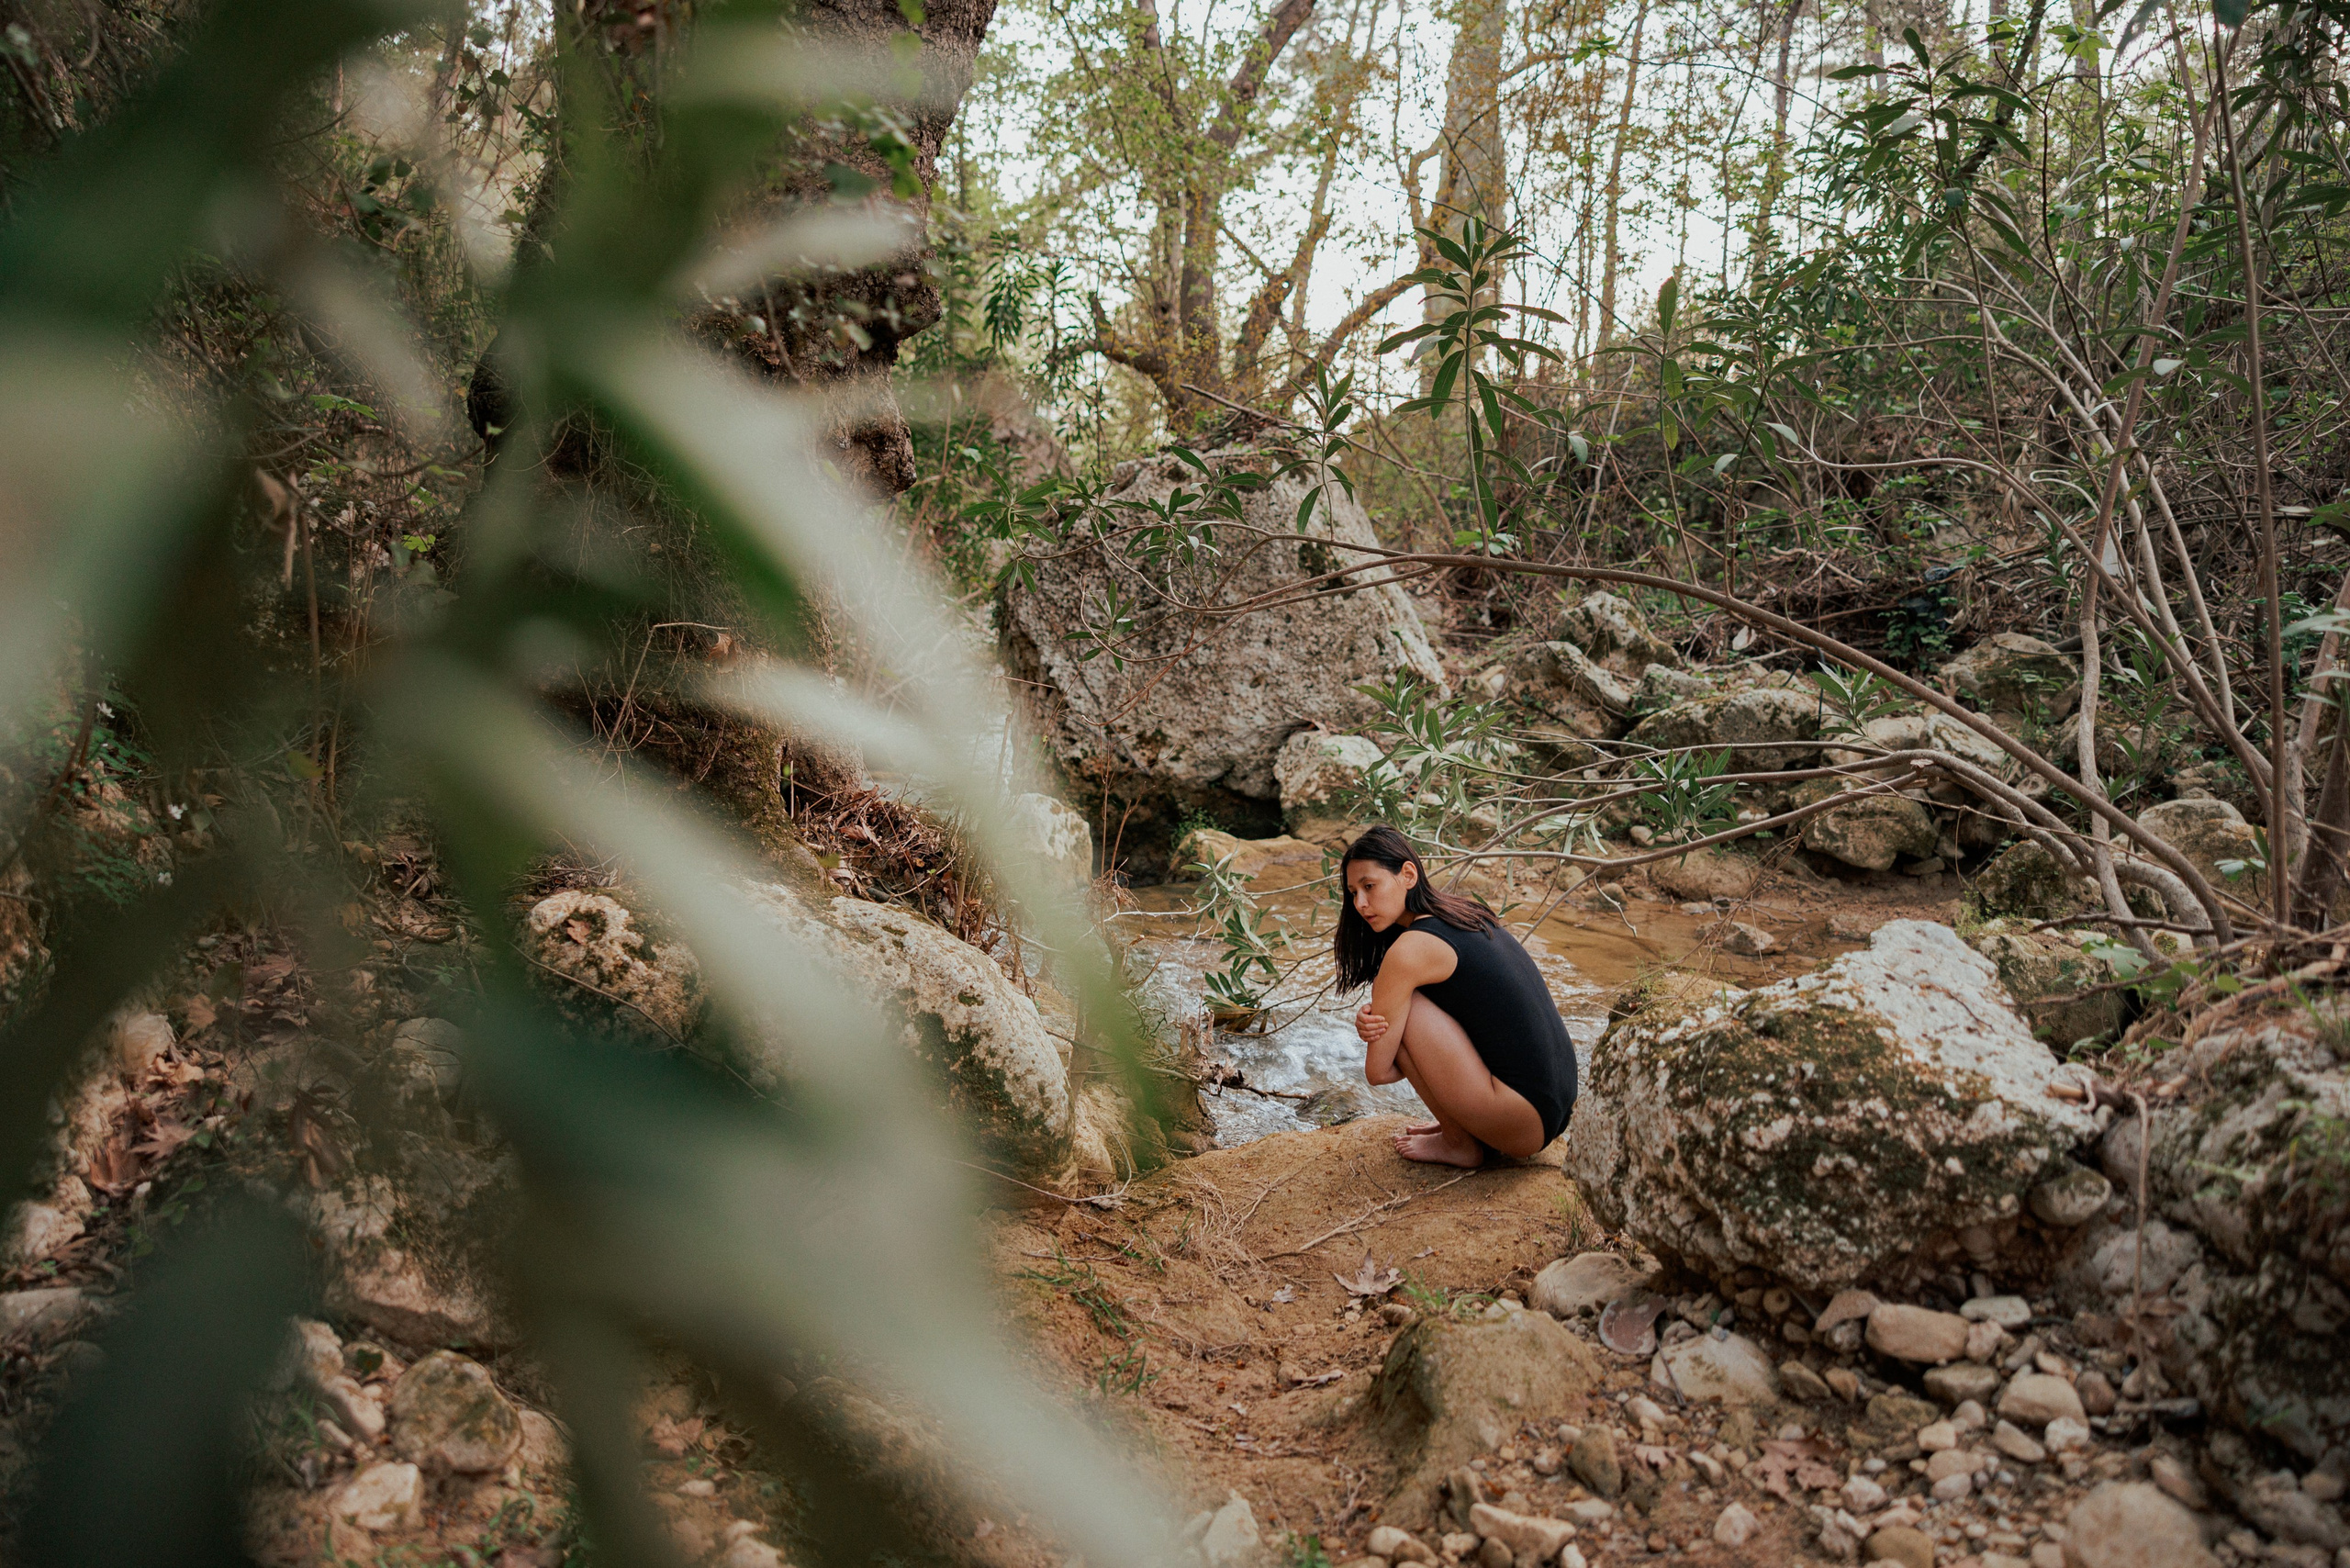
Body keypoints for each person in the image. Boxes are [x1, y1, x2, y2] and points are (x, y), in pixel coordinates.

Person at [1336, 824, 1577, 1168]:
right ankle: (1466, 1125)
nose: (1360, 903)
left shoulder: (1408, 952)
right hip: (1554, 1108)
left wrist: (1386, 1024)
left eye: (1369, 886)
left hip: (1520, 1124)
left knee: (1409, 1006)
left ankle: (1459, 1142)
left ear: (1407, 874)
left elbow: (1378, 1072)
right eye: (1352, 892)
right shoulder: (1462, 912)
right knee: (1406, 1005)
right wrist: (1387, 1018)